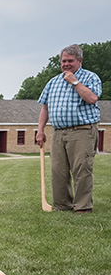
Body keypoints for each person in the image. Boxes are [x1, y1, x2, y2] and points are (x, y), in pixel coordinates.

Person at [36, 44, 101, 214]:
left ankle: (83, 207)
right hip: (58, 132)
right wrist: (40, 130)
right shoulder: (53, 82)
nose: (66, 64)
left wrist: (74, 82)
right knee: (58, 171)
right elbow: (45, 108)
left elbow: (92, 98)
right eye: (63, 61)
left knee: (81, 169)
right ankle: (62, 205)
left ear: (79, 60)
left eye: (70, 61)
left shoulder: (90, 78)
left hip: (82, 131)